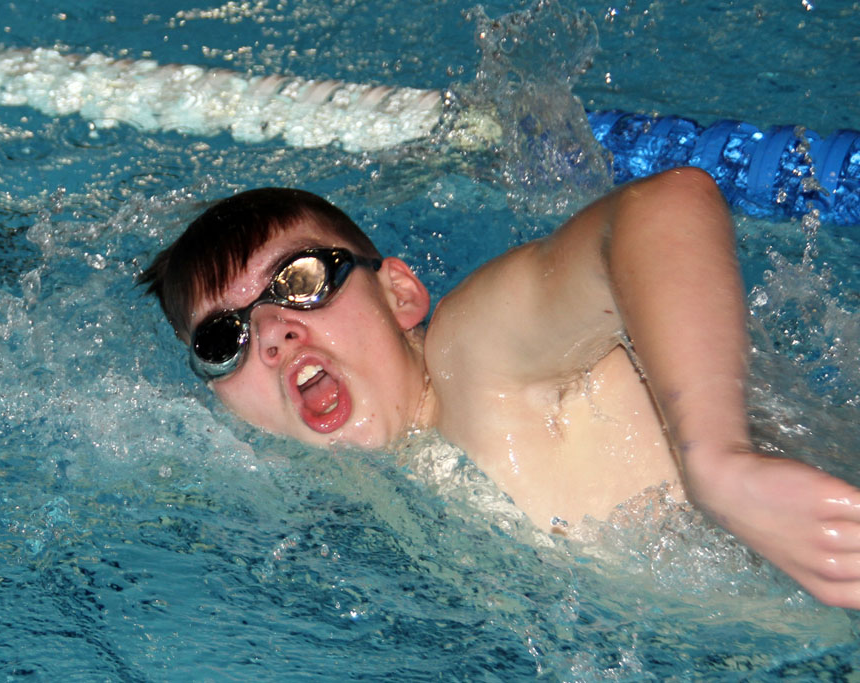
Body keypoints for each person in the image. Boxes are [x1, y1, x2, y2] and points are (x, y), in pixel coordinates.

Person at [139, 168, 860, 609]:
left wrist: (720, 462)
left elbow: (668, 203)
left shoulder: (474, 356)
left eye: (300, 280)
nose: (271, 332)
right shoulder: (384, 501)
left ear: (399, 294)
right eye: (222, 339)